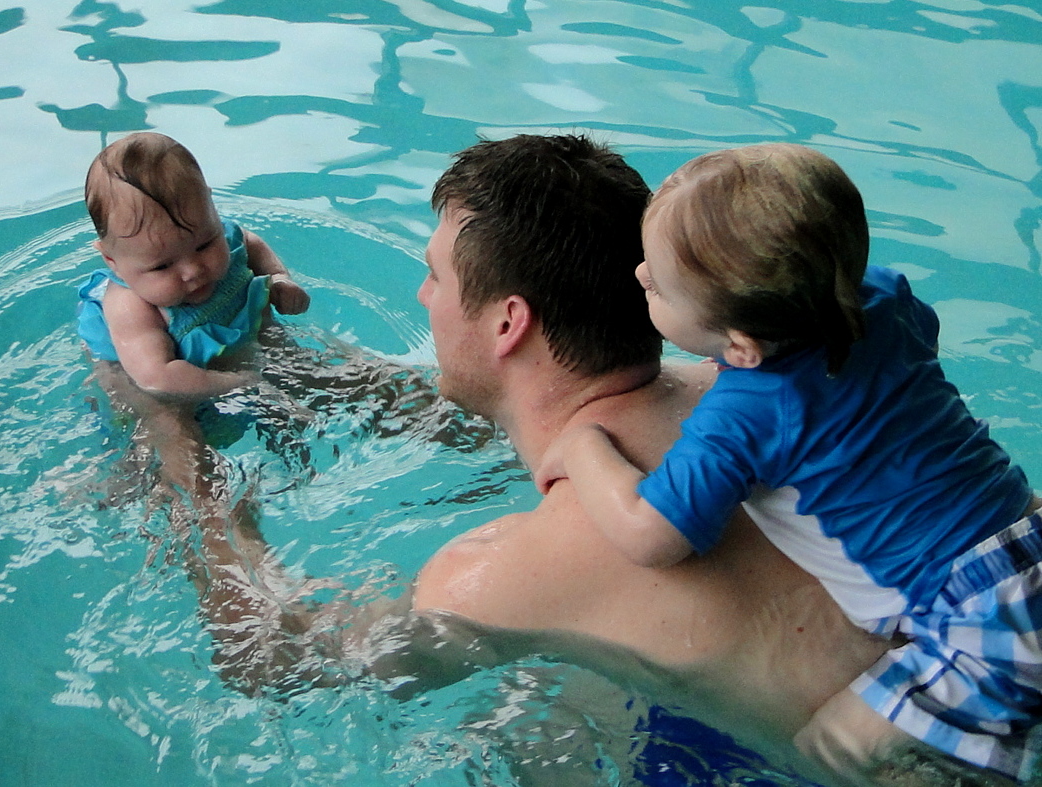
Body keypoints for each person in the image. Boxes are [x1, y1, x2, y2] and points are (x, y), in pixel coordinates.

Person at [150, 135, 898, 781]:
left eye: (437, 275)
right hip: (936, 684)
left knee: (519, 723)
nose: (423, 295)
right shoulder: (748, 392)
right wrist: (284, 368)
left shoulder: (494, 578)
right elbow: (474, 416)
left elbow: (273, 661)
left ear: (510, 322)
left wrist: (185, 468)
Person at [537, 142, 1042, 781]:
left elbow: (648, 533)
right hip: (1027, 539)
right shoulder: (883, 297)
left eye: (658, 285)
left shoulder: (748, 413)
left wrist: (582, 447)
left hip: (981, 627)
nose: (639, 276)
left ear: (743, 349)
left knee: (827, 750)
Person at [77, 131, 310, 399]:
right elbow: (157, 378)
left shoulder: (226, 238)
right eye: (162, 266)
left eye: (204, 245)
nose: (193, 271)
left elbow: (249, 242)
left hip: (239, 339)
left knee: (299, 361)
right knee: (162, 417)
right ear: (112, 261)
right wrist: (240, 384)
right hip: (160, 379)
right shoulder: (130, 306)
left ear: (211, 209)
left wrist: (279, 278)